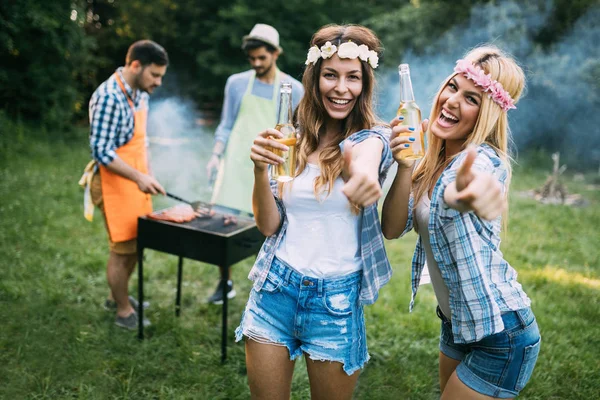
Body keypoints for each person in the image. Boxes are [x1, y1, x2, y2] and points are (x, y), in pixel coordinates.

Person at [235, 24, 393, 399]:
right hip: (275, 288)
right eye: (331, 75)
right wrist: (260, 169)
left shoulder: (376, 136)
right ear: (315, 78)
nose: (341, 88)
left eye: (353, 77)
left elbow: (365, 154)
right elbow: (268, 224)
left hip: (335, 304)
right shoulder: (292, 136)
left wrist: (366, 177)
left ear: (365, 83)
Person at [381, 45, 541, 399]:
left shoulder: (483, 161)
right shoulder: (429, 158)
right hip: (457, 325)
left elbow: (464, 188)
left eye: (470, 99)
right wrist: (406, 166)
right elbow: (392, 229)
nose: (452, 101)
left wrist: (468, 193)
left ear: (485, 116)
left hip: (501, 333)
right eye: (452, 87)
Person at [205, 23, 304, 304]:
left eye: (262, 57)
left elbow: (297, 133)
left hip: (271, 167)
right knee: (224, 226)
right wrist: (215, 154)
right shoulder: (236, 83)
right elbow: (225, 125)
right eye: (252, 59)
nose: (257, 63)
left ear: (276, 54)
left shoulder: (293, 88)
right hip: (235, 164)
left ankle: (265, 287)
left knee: (269, 228)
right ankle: (224, 283)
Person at [84, 40, 168, 330]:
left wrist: (150, 173)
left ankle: (115, 295)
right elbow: (101, 151)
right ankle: (122, 311)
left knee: (136, 245)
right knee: (122, 250)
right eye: (154, 75)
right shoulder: (109, 97)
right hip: (112, 182)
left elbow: (139, 142)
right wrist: (139, 177)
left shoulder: (140, 93)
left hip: (136, 180)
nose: (157, 82)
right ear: (135, 66)